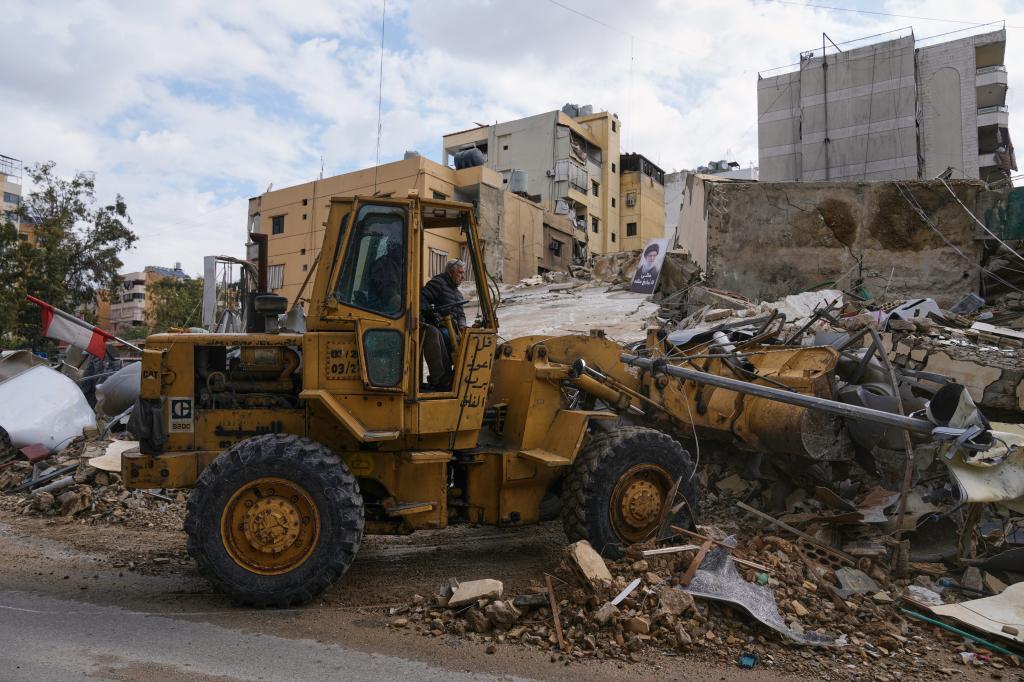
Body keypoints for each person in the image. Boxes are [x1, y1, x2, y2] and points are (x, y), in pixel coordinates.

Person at [421, 259, 467, 390]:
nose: (463, 277)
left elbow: (461, 315)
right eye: (460, 273)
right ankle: (444, 377)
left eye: (464, 273)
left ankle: (458, 377)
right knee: (447, 337)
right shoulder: (438, 283)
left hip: (454, 328)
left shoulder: (458, 294)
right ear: (451, 272)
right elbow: (423, 299)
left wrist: (463, 325)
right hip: (440, 327)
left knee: (469, 342)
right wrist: (436, 317)